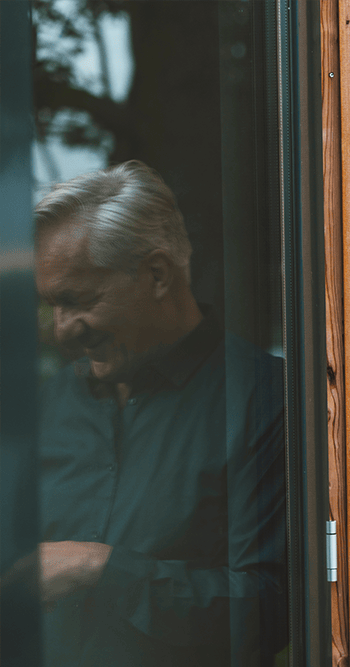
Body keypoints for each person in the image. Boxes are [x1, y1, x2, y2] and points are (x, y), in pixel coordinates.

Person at [32, 161, 286, 666]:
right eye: (51, 305)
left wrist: (98, 568)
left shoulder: (265, 400)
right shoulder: (50, 404)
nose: (61, 330)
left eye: (77, 300)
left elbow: (272, 610)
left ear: (156, 274)